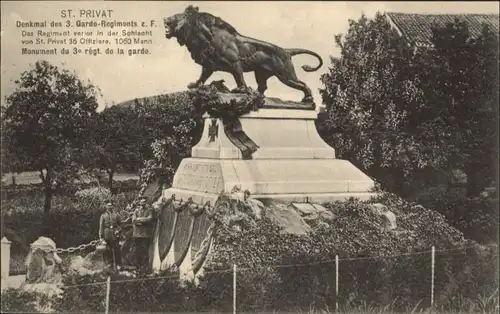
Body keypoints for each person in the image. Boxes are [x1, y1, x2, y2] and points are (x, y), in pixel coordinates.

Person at [132, 196, 156, 274]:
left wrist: (140, 219)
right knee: (137, 251)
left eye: (144, 202)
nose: (143, 203)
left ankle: (145, 268)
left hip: (146, 235)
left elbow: (149, 219)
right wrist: (142, 221)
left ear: (146, 203)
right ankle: (138, 268)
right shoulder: (136, 210)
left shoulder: (149, 210)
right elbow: (134, 220)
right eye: (141, 202)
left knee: (145, 251)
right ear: (139, 202)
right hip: (137, 234)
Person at [99, 198, 122, 270]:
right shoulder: (103, 216)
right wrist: (101, 237)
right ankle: (110, 264)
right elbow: (101, 227)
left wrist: (118, 230)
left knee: (117, 250)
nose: (109, 207)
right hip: (107, 233)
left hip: (115, 234)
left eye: (111, 205)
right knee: (108, 250)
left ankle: (118, 264)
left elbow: (121, 225)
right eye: (108, 205)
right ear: (106, 206)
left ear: (113, 206)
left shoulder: (116, 214)